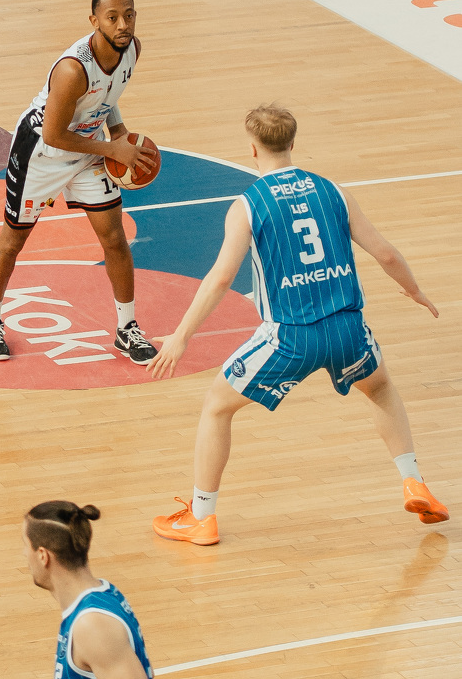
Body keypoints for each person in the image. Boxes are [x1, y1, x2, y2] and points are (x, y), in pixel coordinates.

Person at [148, 104, 449, 545]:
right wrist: (415, 290)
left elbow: (222, 278)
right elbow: (385, 252)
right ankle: (413, 481)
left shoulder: (247, 205)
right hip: (348, 329)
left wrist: (181, 337)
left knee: (217, 406)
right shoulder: (333, 191)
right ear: (292, 143)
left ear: (253, 149)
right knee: (380, 388)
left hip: (290, 337)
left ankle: (202, 516)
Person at [0, 0, 157, 364]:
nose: (122, 25)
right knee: (13, 240)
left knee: (114, 238)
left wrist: (118, 131)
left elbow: (108, 95)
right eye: (112, 18)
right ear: (94, 21)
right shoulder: (74, 69)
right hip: (41, 153)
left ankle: (127, 328)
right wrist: (112, 149)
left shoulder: (132, 50)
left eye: (129, 16)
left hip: (87, 149)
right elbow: (55, 135)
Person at [23, 500, 154, 679]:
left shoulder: (92, 625)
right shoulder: (100, 595)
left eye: (26, 545)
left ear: (42, 556)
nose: (24, 553)